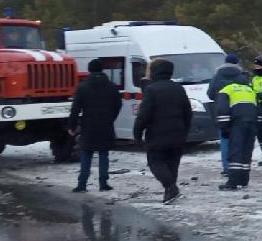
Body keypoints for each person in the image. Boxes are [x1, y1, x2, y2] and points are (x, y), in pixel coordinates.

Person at [134, 59, 193, 204]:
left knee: (156, 163)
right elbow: (188, 112)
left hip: (157, 135)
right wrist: (185, 130)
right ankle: (170, 192)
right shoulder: (178, 88)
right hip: (177, 134)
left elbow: (144, 115)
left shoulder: (152, 90)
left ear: (154, 71)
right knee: (172, 164)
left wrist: (137, 133)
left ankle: (171, 188)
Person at [69, 58, 123, 192]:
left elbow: (75, 108)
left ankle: (82, 184)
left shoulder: (82, 87)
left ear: (89, 70)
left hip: (89, 125)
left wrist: (72, 126)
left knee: (86, 154)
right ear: (102, 69)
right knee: (104, 154)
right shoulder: (111, 86)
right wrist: (111, 117)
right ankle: (103, 183)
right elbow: (118, 104)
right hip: (106, 124)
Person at [214, 67, 258, 191]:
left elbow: (222, 110)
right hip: (252, 123)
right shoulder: (250, 90)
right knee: (246, 151)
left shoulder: (226, 90)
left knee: (235, 151)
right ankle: (244, 179)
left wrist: (224, 128)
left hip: (237, 123)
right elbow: (258, 109)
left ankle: (232, 182)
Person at [207, 54, 244, 175]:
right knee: (238, 139)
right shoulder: (241, 76)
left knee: (224, 139)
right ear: (237, 63)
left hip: (221, 112)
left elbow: (210, 93)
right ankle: (238, 166)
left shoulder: (217, 76)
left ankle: (227, 167)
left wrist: (219, 99)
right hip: (239, 110)